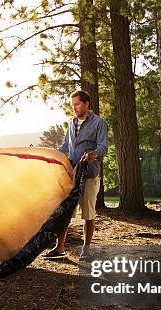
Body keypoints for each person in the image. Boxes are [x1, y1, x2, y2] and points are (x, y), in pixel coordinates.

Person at [44, 90, 108, 260]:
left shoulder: (99, 123)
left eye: (77, 104)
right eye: (73, 105)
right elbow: (66, 146)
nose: (74, 108)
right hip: (71, 174)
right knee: (65, 212)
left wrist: (92, 154)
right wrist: (52, 157)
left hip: (89, 174)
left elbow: (103, 147)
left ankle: (86, 250)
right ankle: (60, 247)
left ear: (87, 103)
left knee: (88, 213)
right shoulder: (72, 123)